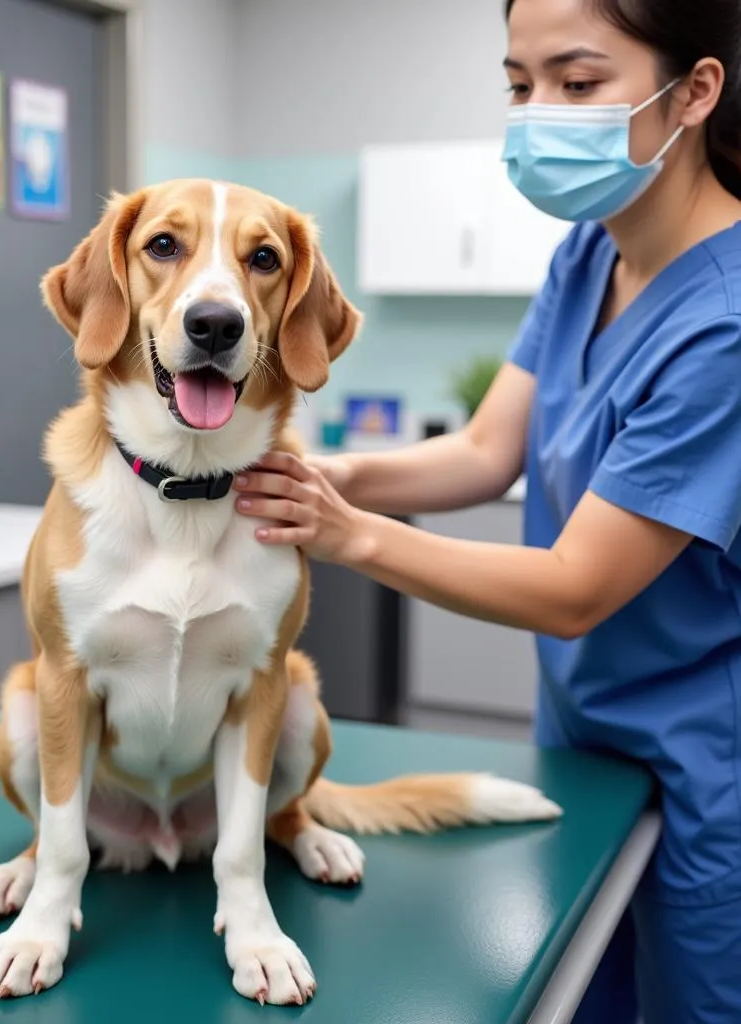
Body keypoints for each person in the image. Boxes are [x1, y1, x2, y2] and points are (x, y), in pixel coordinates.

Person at [233, 0, 741, 1021]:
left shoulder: (724, 323)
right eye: (519, 84)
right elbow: (481, 450)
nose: (538, 110)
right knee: (579, 989)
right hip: (584, 738)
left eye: (578, 82)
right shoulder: (590, 254)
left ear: (692, 90)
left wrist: (345, 532)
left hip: (706, 770)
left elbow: (572, 589)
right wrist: (319, 469)